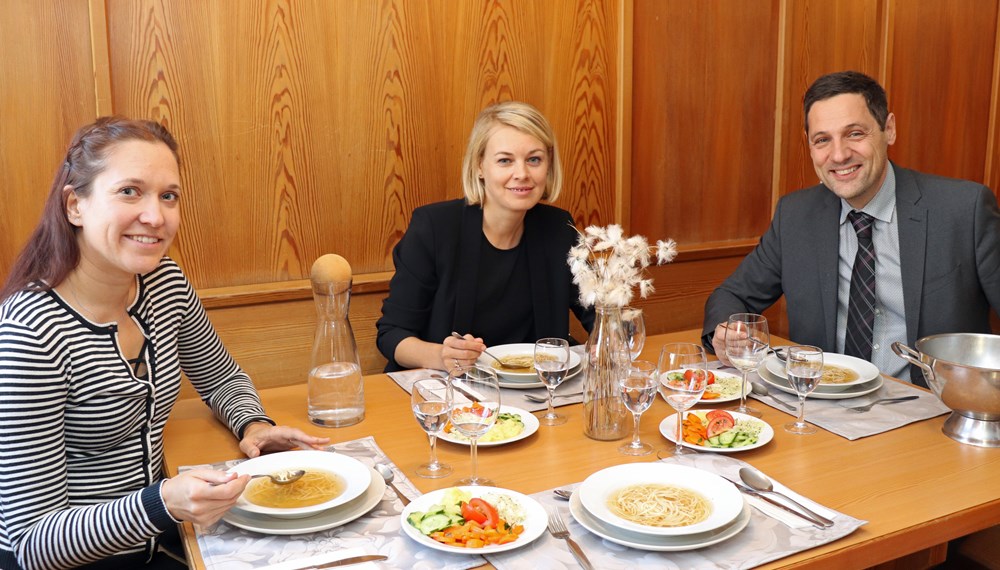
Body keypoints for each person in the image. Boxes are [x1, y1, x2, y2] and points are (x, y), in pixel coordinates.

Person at [0, 117, 330, 570]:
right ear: (75, 205)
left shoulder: (163, 282)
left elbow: (221, 378)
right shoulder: (28, 331)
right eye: (129, 191)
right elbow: (32, 542)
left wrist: (253, 426)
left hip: (161, 540)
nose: (155, 217)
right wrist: (162, 504)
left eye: (168, 196)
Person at [703, 71, 1000, 385]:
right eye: (822, 140)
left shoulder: (963, 210)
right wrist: (726, 333)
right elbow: (732, 296)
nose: (839, 154)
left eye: (855, 134)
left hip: (934, 412)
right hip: (822, 407)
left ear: (889, 129)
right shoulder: (796, 215)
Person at [376, 101, 595, 372]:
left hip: (535, 392)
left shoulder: (559, 228)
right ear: (480, 166)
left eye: (534, 159)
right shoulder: (434, 228)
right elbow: (392, 333)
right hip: (449, 393)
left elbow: (599, 315)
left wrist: (608, 342)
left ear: (548, 165)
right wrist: (441, 356)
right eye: (505, 160)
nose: (522, 174)